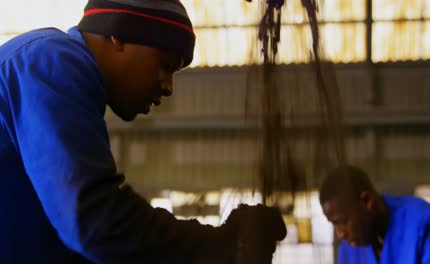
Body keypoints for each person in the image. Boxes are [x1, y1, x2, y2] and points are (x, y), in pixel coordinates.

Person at [0, 0, 286, 263]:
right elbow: (94, 220)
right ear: (118, 35)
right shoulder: (51, 61)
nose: (168, 87)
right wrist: (222, 245)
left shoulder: (61, 79)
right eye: (165, 66)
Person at [319, 165, 430, 264]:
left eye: (343, 221)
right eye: (334, 224)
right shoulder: (349, 250)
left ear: (366, 200)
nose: (340, 234)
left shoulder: (429, 226)